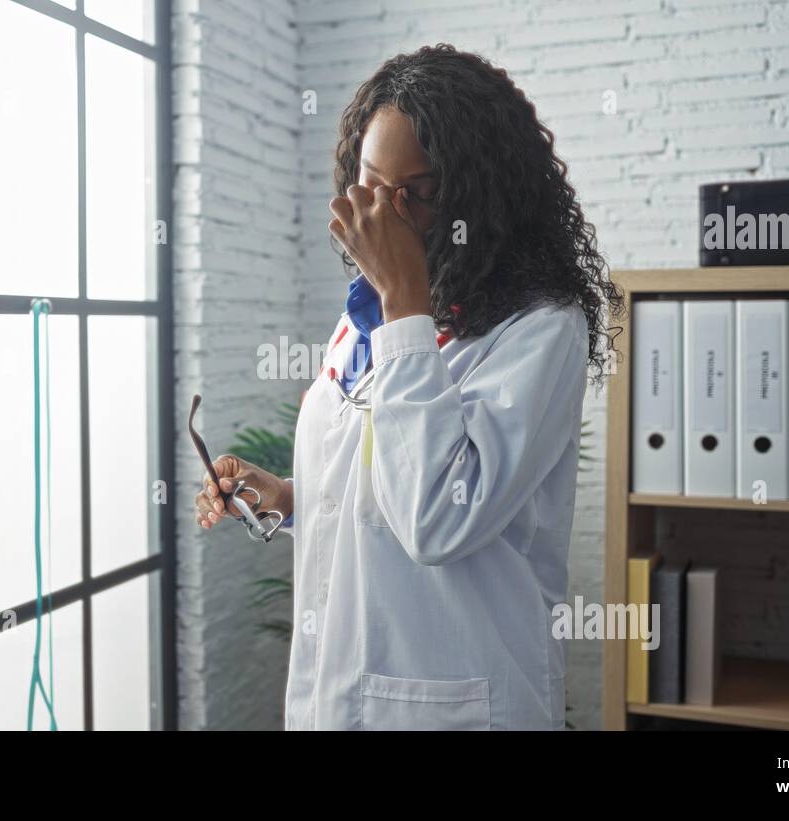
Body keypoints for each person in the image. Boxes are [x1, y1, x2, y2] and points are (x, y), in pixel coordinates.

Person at [193, 44, 623, 730]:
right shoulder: (367, 311)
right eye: (369, 183)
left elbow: (436, 517)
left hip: (458, 703)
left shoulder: (542, 329)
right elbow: (382, 480)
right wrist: (294, 499)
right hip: (335, 697)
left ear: (479, 198)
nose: (383, 217)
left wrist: (404, 303)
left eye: (415, 196)